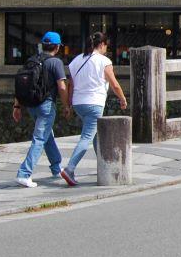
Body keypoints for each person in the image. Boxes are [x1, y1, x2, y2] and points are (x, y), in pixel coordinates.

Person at [59, 32, 127, 186]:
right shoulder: (104, 61)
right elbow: (114, 84)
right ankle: (69, 169)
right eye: (106, 46)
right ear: (102, 44)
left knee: (96, 135)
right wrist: (122, 99)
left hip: (78, 103)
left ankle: (104, 166)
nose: (106, 48)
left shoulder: (76, 61)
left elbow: (71, 85)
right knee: (87, 137)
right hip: (94, 103)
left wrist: (68, 105)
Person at [13, 31, 70, 187]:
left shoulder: (31, 60)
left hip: (31, 104)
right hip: (46, 104)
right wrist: (66, 105)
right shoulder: (55, 62)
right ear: (57, 47)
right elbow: (61, 86)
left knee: (47, 135)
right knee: (40, 138)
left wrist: (17, 106)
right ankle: (24, 173)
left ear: (43, 45)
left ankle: (56, 167)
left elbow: (21, 84)